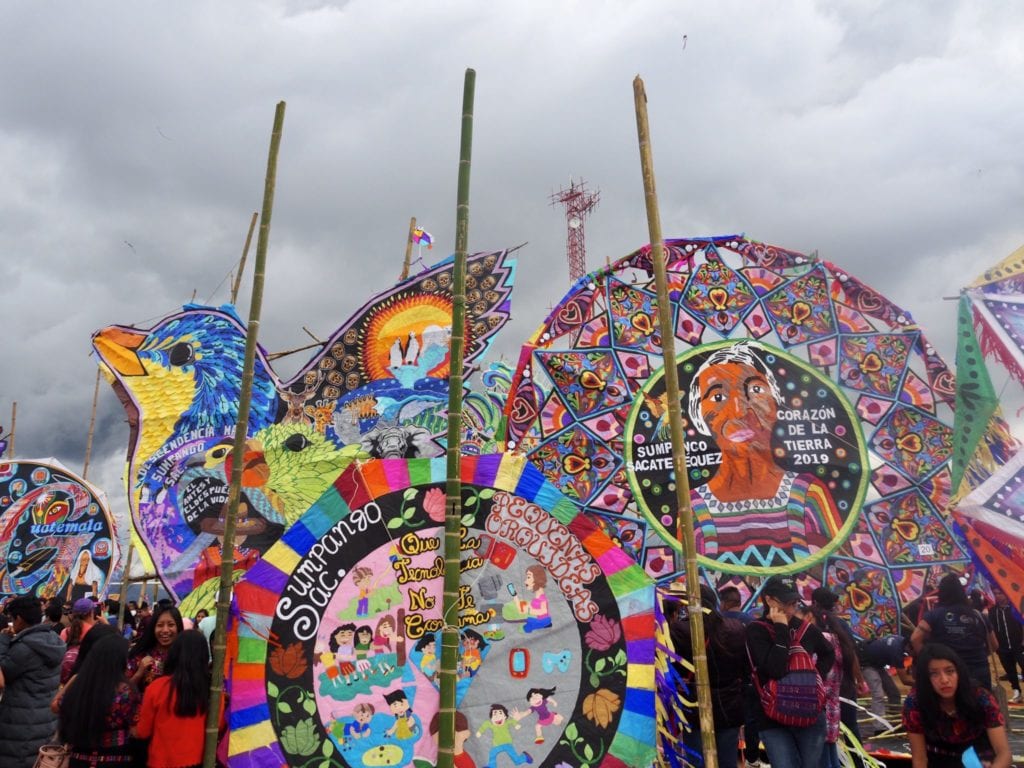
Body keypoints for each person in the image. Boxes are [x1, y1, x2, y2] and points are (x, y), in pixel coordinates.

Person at [687, 341, 843, 568]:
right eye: (718, 397)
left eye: (756, 391)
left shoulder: (809, 494)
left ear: (776, 405)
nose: (741, 411)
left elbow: (836, 571)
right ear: (699, 416)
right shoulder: (692, 508)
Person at [746, 575, 834, 767]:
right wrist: (781, 629)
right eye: (786, 603)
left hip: (809, 711)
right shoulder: (756, 631)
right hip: (773, 716)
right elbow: (775, 669)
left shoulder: (807, 629)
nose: (792, 609)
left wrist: (813, 677)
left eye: (794, 603)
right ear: (769, 600)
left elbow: (828, 653)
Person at [903, 643, 1011, 767]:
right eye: (934, 674)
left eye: (950, 671)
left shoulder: (982, 698)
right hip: (938, 761)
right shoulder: (915, 704)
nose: (944, 680)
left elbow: (1003, 753)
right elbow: (920, 760)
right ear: (924, 678)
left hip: (981, 760)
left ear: (959, 672)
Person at [134, 630, 218, 768]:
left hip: (160, 762)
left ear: (174, 653)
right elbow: (218, 725)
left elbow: (143, 732)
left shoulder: (157, 687)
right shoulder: (213, 690)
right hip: (198, 761)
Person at [0, 595, 67, 768]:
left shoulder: (25, 648)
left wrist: (3, 641)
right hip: (45, 719)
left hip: (20, 722)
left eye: (12, 619)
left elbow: (2, 674)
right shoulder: (54, 640)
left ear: (19, 618)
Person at [58, 634, 140, 766]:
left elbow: (58, 705)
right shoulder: (125, 692)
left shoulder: (78, 686)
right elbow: (135, 731)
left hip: (78, 759)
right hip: (115, 759)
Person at [912, 574, 996, 689]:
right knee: (980, 703)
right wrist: (978, 655)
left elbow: (915, 639)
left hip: (948, 672)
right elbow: (994, 645)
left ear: (941, 593)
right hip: (979, 670)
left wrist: (930, 659)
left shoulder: (934, 616)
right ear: (962, 592)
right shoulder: (979, 616)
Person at [859, 634, 913, 737]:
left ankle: (895, 723)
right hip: (865, 663)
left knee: (894, 693)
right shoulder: (896, 651)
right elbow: (904, 680)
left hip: (878, 664)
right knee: (878, 695)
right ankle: (879, 727)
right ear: (909, 647)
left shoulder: (901, 640)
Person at [128, 603, 183, 693]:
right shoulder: (141, 655)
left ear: (178, 627)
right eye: (160, 625)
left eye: (171, 625)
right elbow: (122, 694)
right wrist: (139, 673)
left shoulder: (184, 656)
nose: (165, 630)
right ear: (153, 628)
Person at [988, 585, 1024, 703]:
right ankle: (1016, 691)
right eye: (995, 593)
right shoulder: (992, 611)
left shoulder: (1016, 609)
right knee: (1010, 671)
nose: (998, 596)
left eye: (1000, 593)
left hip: (1019, 645)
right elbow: (991, 629)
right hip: (1002, 647)